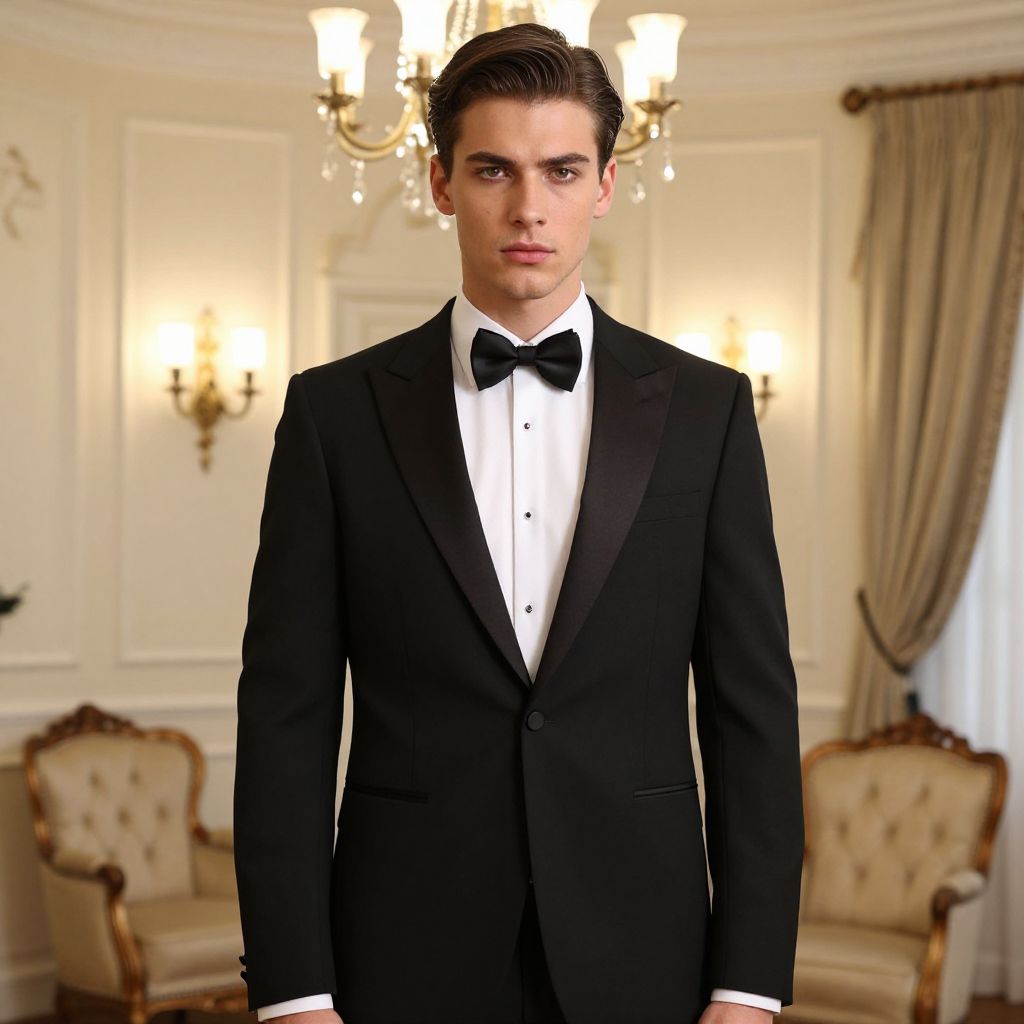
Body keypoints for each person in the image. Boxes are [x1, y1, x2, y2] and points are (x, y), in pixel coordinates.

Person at [233, 21, 804, 1024]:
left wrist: (747, 984)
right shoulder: (333, 416)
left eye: (561, 170)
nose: (529, 207)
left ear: (606, 184)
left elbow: (751, 715)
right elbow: (285, 720)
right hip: (400, 949)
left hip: (648, 949)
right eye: (493, 169)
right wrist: (292, 991)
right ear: (440, 182)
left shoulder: (706, 412)